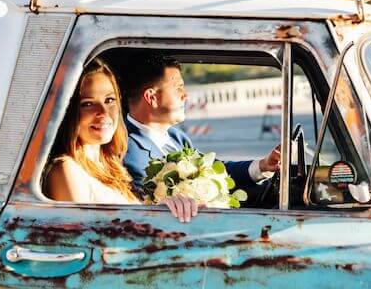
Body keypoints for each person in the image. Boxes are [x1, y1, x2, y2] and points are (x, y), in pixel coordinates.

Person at [44, 58, 198, 222]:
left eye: (109, 100)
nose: (103, 112)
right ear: (69, 111)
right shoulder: (66, 169)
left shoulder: (112, 166)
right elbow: (84, 238)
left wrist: (165, 208)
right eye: (87, 104)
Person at [118, 53, 281, 190]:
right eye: (178, 88)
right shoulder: (129, 153)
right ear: (151, 97)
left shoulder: (176, 137)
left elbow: (210, 170)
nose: (185, 95)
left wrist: (262, 166)